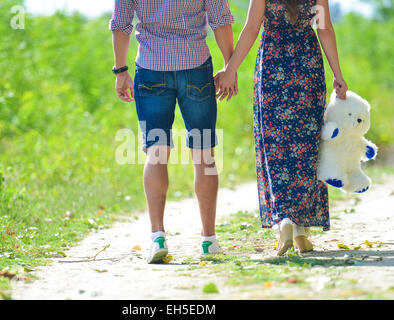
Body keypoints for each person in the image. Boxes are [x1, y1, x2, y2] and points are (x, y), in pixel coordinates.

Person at [215, 0, 348, 255]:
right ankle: (301, 229)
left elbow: (252, 28)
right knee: (307, 146)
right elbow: (325, 29)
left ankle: (284, 220)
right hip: (307, 66)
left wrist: (230, 68)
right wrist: (337, 74)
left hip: (273, 65)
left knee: (274, 146)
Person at [110, 0, 236, 263]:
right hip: (195, 67)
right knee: (204, 153)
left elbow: (121, 23)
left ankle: (157, 236)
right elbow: (220, 19)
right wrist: (229, 66)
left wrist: (121, 70)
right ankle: (209, 240)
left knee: (156, 152)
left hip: (151, 67)